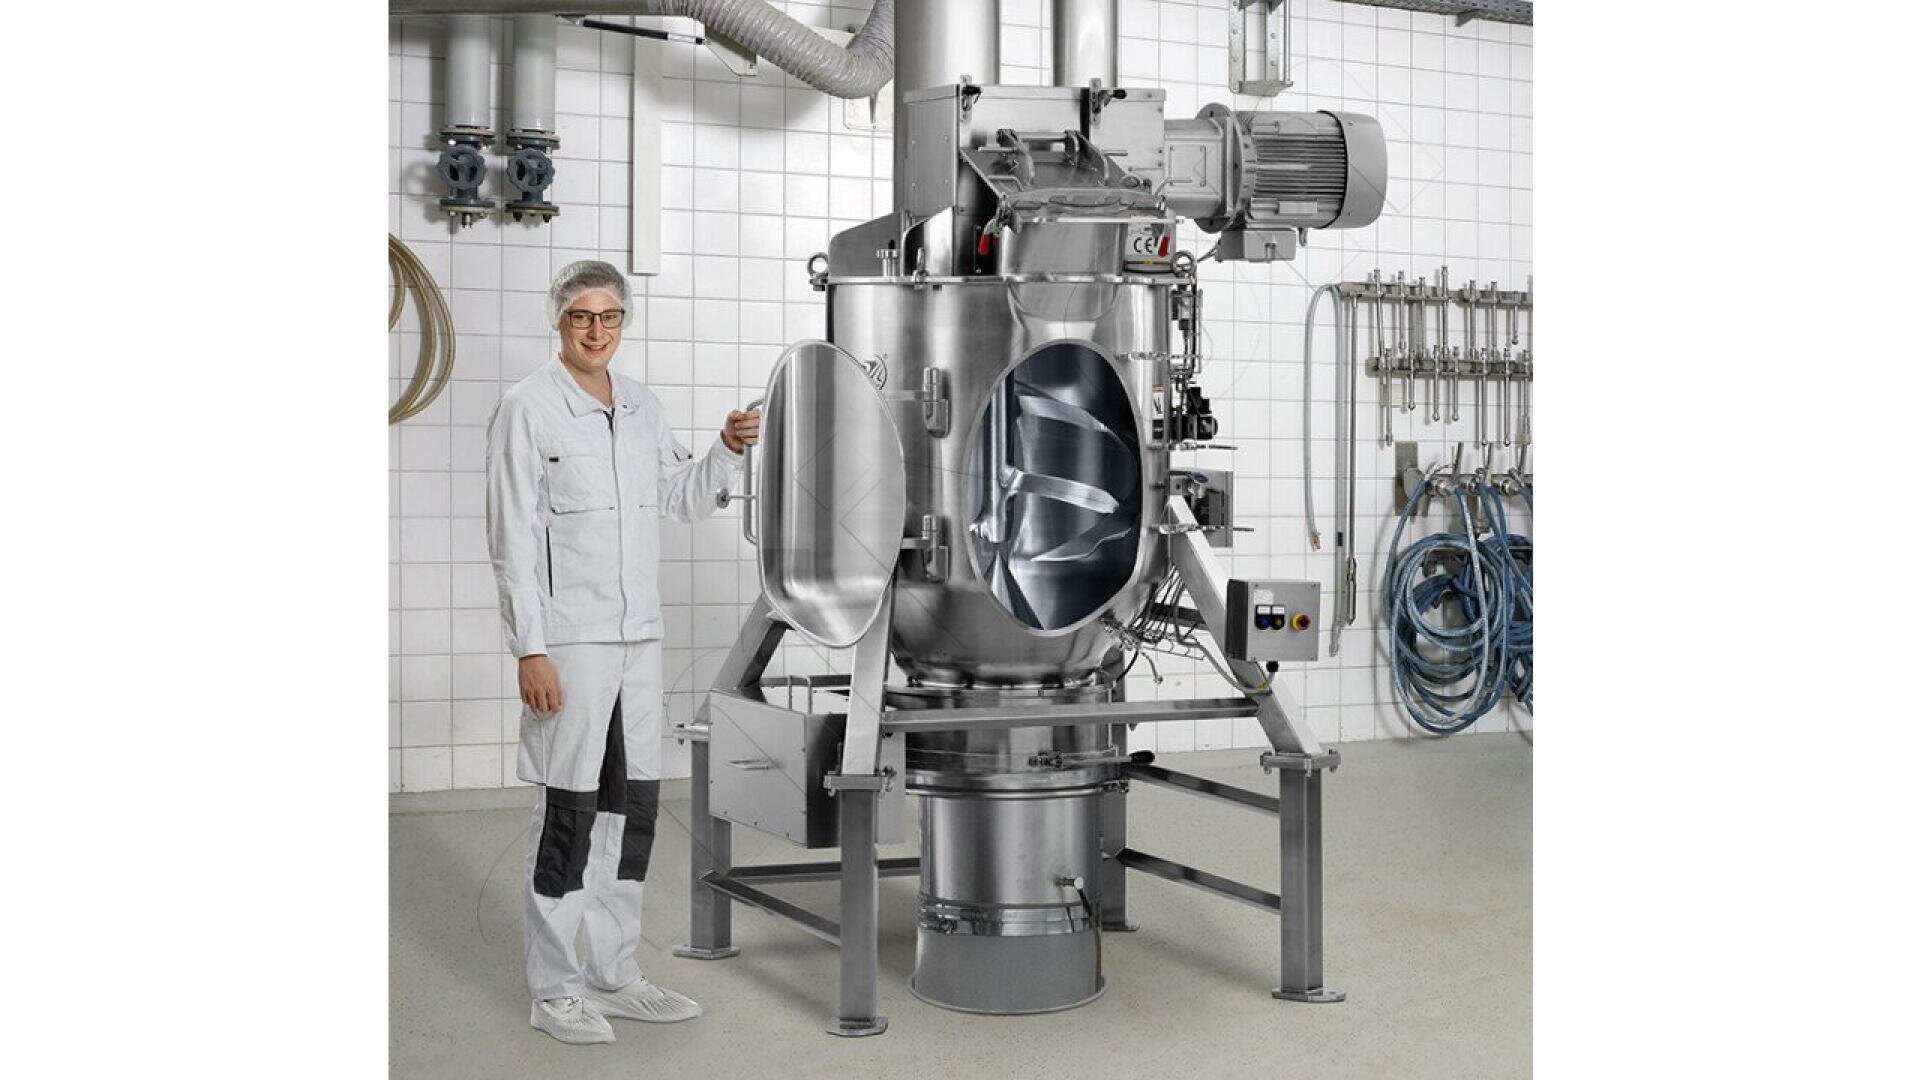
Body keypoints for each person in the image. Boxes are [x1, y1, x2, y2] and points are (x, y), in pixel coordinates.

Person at [484, 259, 760, 1045]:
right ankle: (554, 988)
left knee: (633, 808)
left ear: (623, 322)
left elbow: (677, 496)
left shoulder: (640, 405)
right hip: (570, 639)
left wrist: (726, 449)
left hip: (641, 637)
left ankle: (614, 973)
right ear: (559, 322)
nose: (596, 331)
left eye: (608, 317)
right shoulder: (528, 408)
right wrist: (528, 650)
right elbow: (509, 536)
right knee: (568, 813)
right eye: (581, 318)